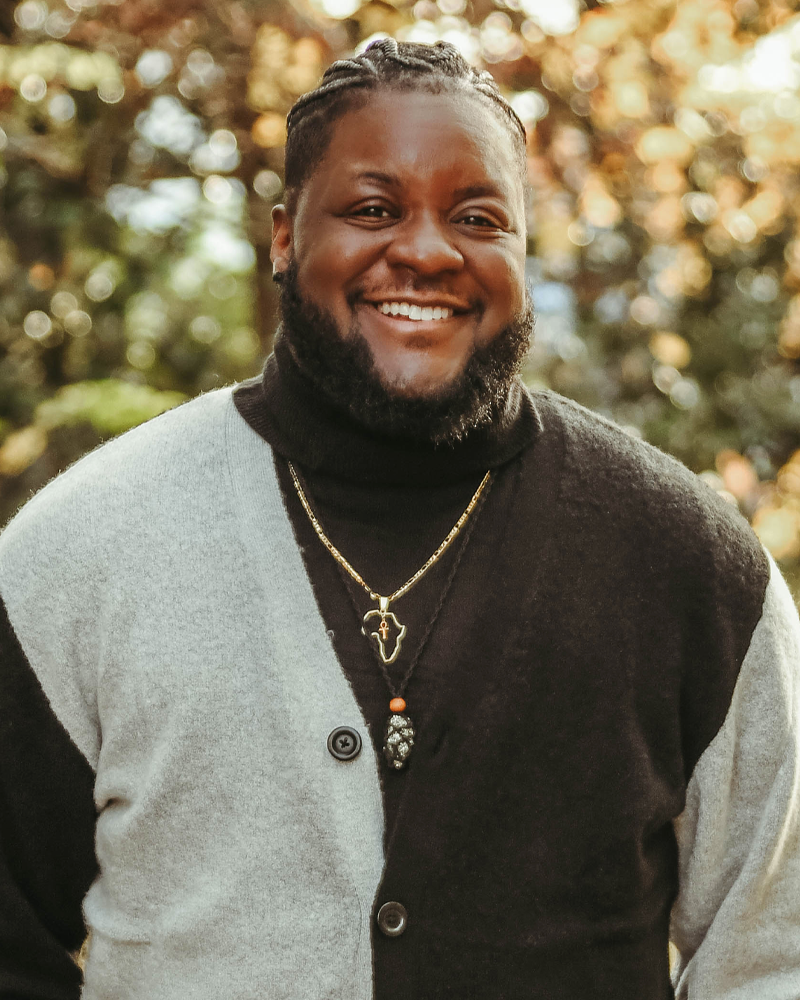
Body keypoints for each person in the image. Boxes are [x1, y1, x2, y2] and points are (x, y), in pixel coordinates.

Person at [0, 37, 798, 1000]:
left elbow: (771, 955)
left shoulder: (693, 568)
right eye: (373, 209)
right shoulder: (83, 551)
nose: (425, 250)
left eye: (477, 216)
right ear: (285, 238)